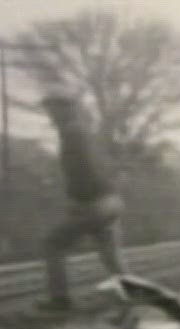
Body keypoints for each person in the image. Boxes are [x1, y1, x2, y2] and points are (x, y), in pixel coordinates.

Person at [39, 93, 126, 312]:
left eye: (53, 110)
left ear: (65, 110)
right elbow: (105, 167)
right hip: (111, 200)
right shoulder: (86, 132)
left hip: (94, 202)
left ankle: (60, 300)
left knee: (52, 244)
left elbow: (85, 172)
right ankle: (129, 296)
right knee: (110, 256)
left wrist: (78, 201)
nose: (50, 115)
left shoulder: (73, 134)